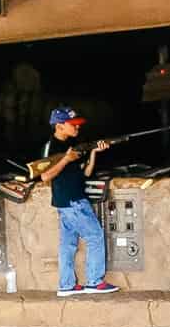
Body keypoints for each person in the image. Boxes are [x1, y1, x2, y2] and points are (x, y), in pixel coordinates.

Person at [41, 107, 119, 297]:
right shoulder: (52, 148)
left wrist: (93, 153)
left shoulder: (72, 145)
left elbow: (85, 174)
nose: (77, 128)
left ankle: (66, 285)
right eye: (73, 124)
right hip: (73, 202)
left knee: (68, 245)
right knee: (95, 237)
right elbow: (44, 176)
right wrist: (66, 159)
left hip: (68, 202)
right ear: (59, 126)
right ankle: (94, 281)